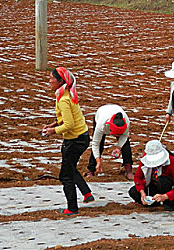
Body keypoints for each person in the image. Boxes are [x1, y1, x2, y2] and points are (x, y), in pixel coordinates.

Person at [42, 67, 94, 216]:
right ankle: (86, 194)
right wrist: (53, 125)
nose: (49, 81)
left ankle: (72, 208)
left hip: (74, 141)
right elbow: (67, 119)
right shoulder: (67, 94)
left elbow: (69, 125)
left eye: (52, 78)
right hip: (81, 137)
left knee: (65, 175)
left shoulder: (63, 100)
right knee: (70, 168)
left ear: (60, 82)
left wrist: (53, 131)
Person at [128, 140, 174, 211]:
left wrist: (165, 196)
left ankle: (168, 204)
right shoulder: (144, 158)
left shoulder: (172, 161)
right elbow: (138, 177)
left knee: (163, 180)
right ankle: (154, 203)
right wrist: (142, 192)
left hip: (168, 189)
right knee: (133, 191)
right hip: (153, 186)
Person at [85, 104, 134, 180]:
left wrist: (118, 147)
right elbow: (95, 144)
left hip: (115, 109)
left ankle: (128, 169)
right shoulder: (102, 125)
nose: (118, 136)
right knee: (100, 144)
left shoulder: (126, 122)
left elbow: (124, 136)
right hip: (101, 112)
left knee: (126, 145)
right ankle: (91, 169)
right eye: (116, 134)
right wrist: (98, 161)